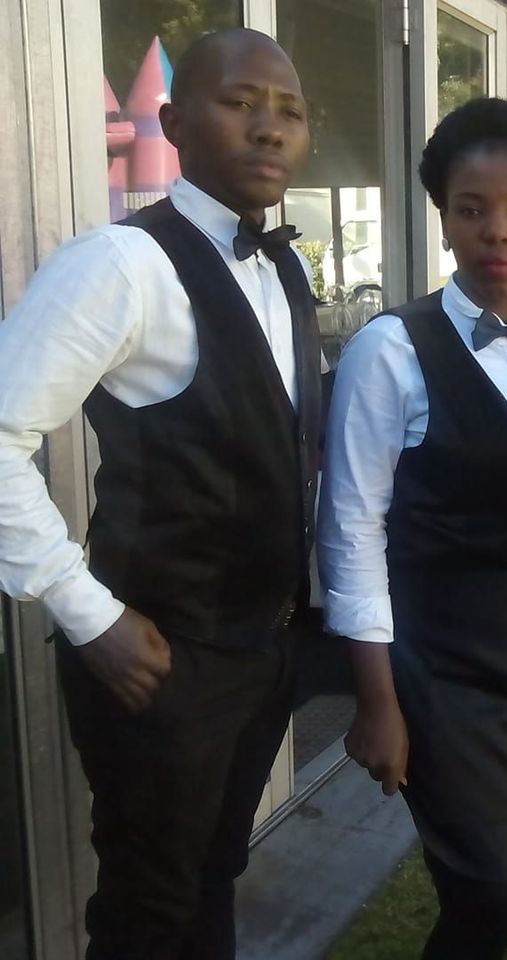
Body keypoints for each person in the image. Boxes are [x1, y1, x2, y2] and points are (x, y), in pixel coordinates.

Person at [0, 29, 319, 959]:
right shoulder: (120, 264)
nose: (269, 128)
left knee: (214, 874)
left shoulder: (286, 267)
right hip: (160, 658)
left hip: (261, 653)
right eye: (241, 103)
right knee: (149, 910)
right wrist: (86, 613)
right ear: (173, 124)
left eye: (290, 112)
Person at [318, 98, 507, 960]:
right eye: (473, 209)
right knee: (487, 884)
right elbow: (352, 530)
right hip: (442, 660)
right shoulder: (390, 350)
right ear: (444, 219)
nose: (498, 231)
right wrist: (377, 702)